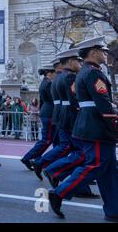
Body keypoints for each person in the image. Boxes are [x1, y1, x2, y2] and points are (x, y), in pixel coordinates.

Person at [48, 37, 118, 222]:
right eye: (102, 51)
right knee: (95, 165)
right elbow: (103, 104)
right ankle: (59, 193)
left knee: (109, 171)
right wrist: (115, 125)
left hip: (93, 126)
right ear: (93, 52)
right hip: (96, 128)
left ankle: (113, 210)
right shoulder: (93, 74)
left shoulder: (85, 72)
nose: (104, 54)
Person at [42, 48, 98, 198]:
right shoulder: (69, 77)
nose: (80, 63)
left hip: (62, 116)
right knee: (81, 153)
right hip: (70, 117)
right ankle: (54, 170)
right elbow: (74, 101)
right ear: (71, 61)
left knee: (75, 151)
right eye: (78, 61)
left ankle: (80, 187)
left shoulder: (58, 77)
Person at [21, 65, 55, 168]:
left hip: (46, 112)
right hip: (49, 113)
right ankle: (28, 158)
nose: (55, 75)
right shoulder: (48, 83)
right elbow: (53, 99)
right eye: (54, 73)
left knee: (47, 139)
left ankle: (36, 159)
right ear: (49, 73)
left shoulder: (44, 83)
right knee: (46, 140)